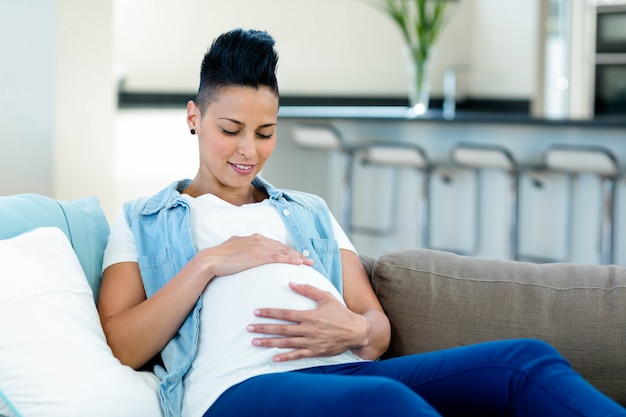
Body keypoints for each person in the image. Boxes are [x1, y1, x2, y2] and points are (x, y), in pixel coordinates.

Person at [97, 28, 626, 417]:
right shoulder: (144, 219)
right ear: (194, 117)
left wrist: (355, 328)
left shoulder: (307, 211)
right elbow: (121, 344)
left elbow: (376, 332)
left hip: (347, 372)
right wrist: (210, 262)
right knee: (385, 401)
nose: (247, 150)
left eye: (265, 132)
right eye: (230, 128)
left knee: (525, 361)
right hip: (234, 388)